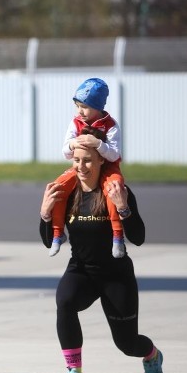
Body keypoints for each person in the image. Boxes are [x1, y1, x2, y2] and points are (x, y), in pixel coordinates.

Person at [39, 127, 163, 373]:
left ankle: (151, 354)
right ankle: (74, 372)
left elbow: (138, 237)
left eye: (87, 160)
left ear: (101, 160)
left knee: (127, 343)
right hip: (82, 270)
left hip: (116, 274)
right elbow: (49, 241)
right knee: (65, 300)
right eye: (76, 160)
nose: (81, 166)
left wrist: (123, 207)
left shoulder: (117, 190)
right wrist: (46, 215)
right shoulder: (66, 192)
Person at [49, 77, 127, 258]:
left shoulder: (111, 126)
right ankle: (57, 233)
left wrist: (98, 144)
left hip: (108, 168)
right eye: (77, 106)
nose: (80, 111)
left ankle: (117, 236)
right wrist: (73, 143)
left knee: (113, 188)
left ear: (98, 107)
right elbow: (65, 153)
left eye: (84, 107)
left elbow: (114, 155)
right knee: (58, 188)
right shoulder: (75, 122)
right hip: (82, 165)